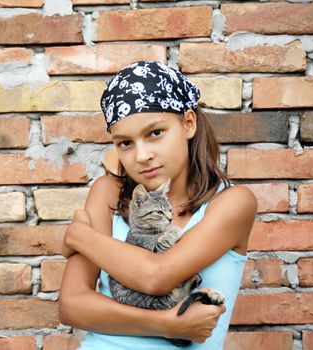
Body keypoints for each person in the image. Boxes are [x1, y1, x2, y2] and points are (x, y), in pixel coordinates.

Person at [58, 60, 257, 349]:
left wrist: (79, 236)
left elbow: (156, 276)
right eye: (125, 143)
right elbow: (71, 305)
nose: (142, 155)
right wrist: (167, 325)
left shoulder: (231, 203)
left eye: (155, 133)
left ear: (188, 123)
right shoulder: (107, 194)